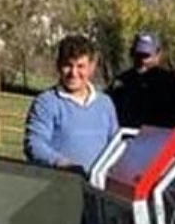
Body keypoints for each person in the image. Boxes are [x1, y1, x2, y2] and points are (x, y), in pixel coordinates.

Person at [24, 34, 120, 175]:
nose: (73, 73)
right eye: (68, 65)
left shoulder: (105, 104)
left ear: (91, 67)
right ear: (58, 65)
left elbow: (116, 146)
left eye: (80, 66)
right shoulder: (46, 103)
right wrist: (62, 163)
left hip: (97, 189)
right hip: (59, 186)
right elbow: (35, 145)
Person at [108, 31, 175, 130]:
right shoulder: (122, 81)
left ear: (158, 55)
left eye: (146, 56)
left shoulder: (169, 82)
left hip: (159, 141)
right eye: (138, 55)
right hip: (127, 140)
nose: (141, 60)